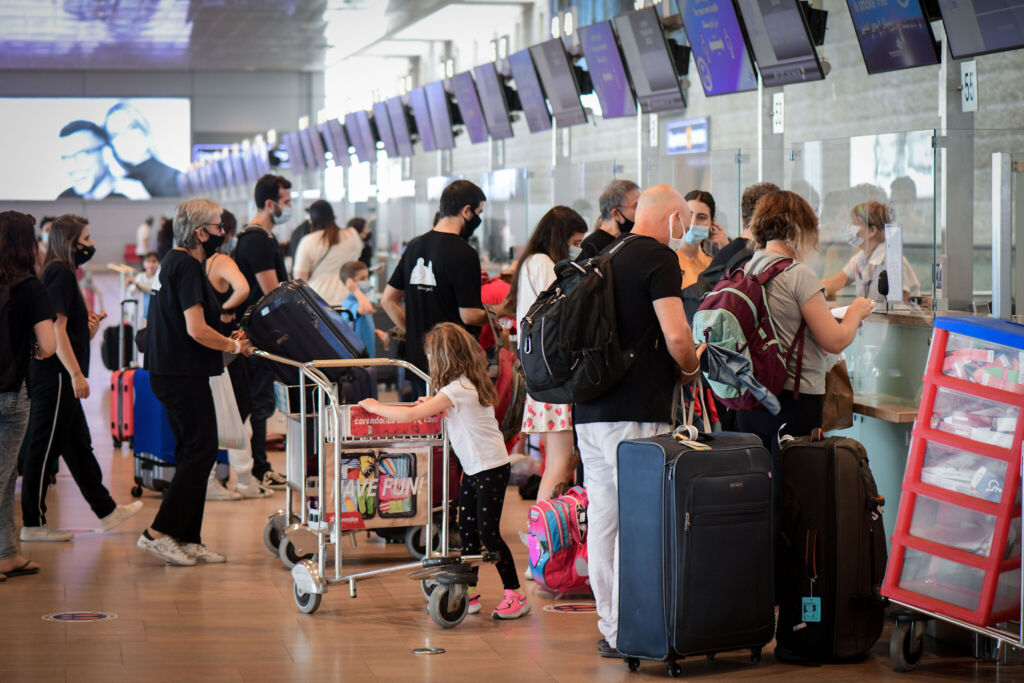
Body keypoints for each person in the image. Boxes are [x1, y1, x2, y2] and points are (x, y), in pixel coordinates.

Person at [574, 185, 701, 658]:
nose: (686, 229)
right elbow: (677, 335)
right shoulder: (658, 258)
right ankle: (642, 626)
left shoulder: (605, 255)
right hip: (636, 414)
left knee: (605, 521)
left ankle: (613, 628)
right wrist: (690, 367)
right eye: (685, 219)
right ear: (671, 218)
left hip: (589, 411)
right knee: (641, 522)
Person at [358, 323, 530, 620]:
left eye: (430, 355)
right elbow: (446, 409)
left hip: (489, 470)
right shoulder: (463, 386)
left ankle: (515, 594)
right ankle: (467, 592)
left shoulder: (457, 390)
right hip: (476, 469)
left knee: (489, 535)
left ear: (442, 358)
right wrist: (434, 403)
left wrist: (375, 407)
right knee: (468, 533)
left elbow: (412, 415)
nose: (428, 360)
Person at [137, 198, 255, 566]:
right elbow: (196, 329)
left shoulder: (172, 261)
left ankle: (187, 536)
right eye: (219, 226)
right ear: (201, 232)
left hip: (175, 372)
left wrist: (227, 336)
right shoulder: (186, 265)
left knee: (195, 453)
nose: (224, 232)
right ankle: (157, 533)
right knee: (200, 452)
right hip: (180, 375)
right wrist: (233, 346)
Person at [20, 215, 143, 542]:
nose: (91, 245)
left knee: (78, 446)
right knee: (44, 447)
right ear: (70, 242)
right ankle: (33, 523)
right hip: (55, 376)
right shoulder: (60, 272)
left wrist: (86, 331)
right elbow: (56, 328)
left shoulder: (61, 271)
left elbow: (65, 331)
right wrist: (76, 374)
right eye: (86, 239)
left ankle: (106, 510)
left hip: (59, 373)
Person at [737, 191, 874, 454]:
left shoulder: (748, 268)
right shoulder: (797, 273)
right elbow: (834, 340)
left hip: (751, 396)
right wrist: (856, 311)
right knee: (796, 476)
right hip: (794, 400)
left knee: (760, 473)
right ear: (799, 228)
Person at [504, 206, 586, 503]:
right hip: (555, 377)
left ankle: (546, 527)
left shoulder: (531, 262)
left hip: (544, 374)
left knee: (559, 463)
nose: (577, 249)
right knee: (560, 465)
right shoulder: (542, 264)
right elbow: (561, 314)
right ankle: (546, 529)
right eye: (575, 242)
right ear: (560, 238)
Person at [382, 180, 489, 398]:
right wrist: (499, 313)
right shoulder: (464, 253)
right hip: (453, 362)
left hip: (418, 360)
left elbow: (387, 300)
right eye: (478, 213)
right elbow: (469, 315)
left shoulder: (414, 246)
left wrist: (414, 333)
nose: (478, 219)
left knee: (425, 418)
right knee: (452, 420)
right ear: (466, 211)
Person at [0, 212, 57, 579]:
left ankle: (7, 554)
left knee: (6, 476)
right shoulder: (31, 287)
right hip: (11, 393)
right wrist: (30, 352)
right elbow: (48, 346)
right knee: (2, 475)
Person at [203, 209, 268, 500]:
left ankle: (220, 479)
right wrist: (224, 309)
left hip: (202, 344)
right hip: (226, 345)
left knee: (209, 414)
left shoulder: (192, 263)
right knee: (241, 412)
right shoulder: (221, 261)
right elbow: (243, 288)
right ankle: (243, 479)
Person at [234, 174, 292, 489]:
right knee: (259, 403)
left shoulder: (261, 237)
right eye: (286, 202)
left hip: (261, 333)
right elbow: (273, 294)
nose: (289, 207)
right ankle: (258, 467)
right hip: (258, 334)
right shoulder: (256, 239)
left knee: (261, 401)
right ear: (270, 204)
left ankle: (259, 465)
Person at [821, 200, 921, 304]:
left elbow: (901, 307)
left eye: (855, 223)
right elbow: (831, 285)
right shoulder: (861, 257)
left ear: (872, 231)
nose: (850, 226)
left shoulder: (892, 262)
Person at [104, 102, 183, 197]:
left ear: (144, 129)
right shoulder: (116, 185)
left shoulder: (173, 179)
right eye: (115, 135)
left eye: (130, 128)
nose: (124, 138)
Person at [293, 200, 363, 305]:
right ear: (332, 216)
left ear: (312, 220)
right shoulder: (352, 235)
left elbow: (300, 278)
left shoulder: (308, 241)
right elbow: (357, 260)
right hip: (348, 298)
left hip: (318, 299)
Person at [56, 120, 145, 200]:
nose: (72, 167)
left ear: (106, 154)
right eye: (66, 158)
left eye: (80, 156)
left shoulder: (134, 197)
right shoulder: (64, 200)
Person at [677, 190, 729, 289]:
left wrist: (726, 250)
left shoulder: (711, 264)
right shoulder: (668, 258)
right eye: (689, 215)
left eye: (701, 217)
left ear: (711, 224)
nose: (693, 223)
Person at [578, 179, 639, 260]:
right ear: (615, 214)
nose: (641, 210)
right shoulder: (592, 246)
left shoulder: (625, 240)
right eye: (636, 206)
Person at [130, 252, 160, 320]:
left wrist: (138, 285)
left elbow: (154, 289)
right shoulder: (140, 276)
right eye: (148, 261)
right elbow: (132, 290)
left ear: (159, 263)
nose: (151, 264)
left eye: (154, 261)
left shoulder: (159, 276)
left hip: (156, 311)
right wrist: (130, 284)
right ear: (143, 263)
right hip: (142, 311)